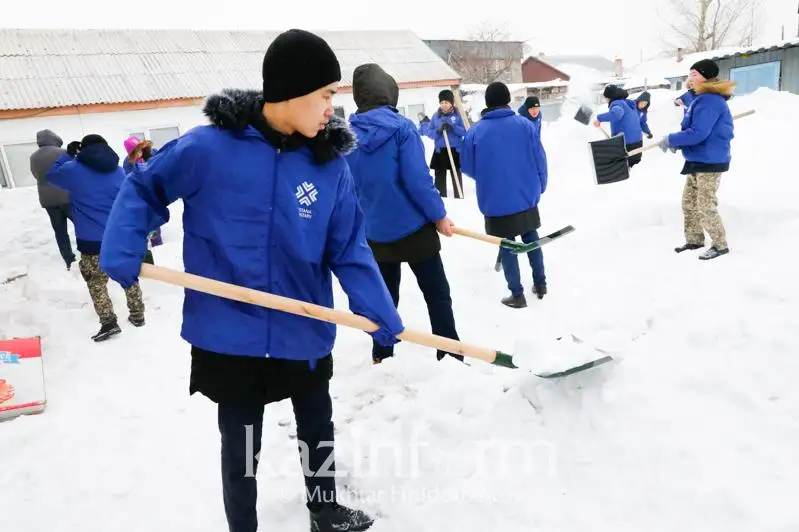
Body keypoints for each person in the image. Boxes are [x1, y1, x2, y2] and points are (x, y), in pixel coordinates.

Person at [99, 29, 404, 532]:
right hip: (228, 332)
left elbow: (348, 246)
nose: (333, 107)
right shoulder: (207, 149)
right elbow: (145, 187)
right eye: (326, 94)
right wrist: (123, 240)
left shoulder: (329, 166)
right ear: (292, 90)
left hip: (302, 325)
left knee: (317, 427)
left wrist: (378, 310)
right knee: (240, 445)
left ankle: (324, 510)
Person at [345, 63, 462, 364]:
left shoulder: (347, 136)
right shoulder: (402, 128)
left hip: (375, 233)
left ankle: (382, 355)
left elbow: (349, 187)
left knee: (384, 299)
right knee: (436, 294)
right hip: (414, 229)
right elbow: (418, 181)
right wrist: (438, 215)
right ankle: (448, 353)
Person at [47, 134, 146, 341]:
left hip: (91, 241)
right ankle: (137, 315)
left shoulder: (73, 170)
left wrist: (67, 155)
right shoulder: (119, 172)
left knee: (96, 281)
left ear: (83, 149)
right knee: (127, 274)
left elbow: (52, 175)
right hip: (118, 237)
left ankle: (109, 322)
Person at [461, 82, 548, 308]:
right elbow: (540, 158)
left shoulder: (475, 132)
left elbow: (468, 168)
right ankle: (541, 283)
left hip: (495, 201)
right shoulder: (525, 126)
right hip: (526, 195)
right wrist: (541, 186)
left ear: (487, 104)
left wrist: (489, 176)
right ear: (508, 100)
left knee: (508, 246)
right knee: (531, 238)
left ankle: (517, 295)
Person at [658, 59, 735, 261]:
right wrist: (679, 142)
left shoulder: (709, 100)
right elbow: (694, 130)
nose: (690, 78)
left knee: (705, 205)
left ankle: (720, 245)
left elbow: (698, 133)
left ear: (706, 76)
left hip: (710, 161)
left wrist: (672, 139)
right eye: (689, 74)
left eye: (694, 74)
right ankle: (694, 240)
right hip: (698, 159)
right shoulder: (701, 98)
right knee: (689, 203)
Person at [29, 129, 76, 270]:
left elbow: (36, 175)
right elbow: (73, 171)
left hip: (48, 200)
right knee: (81, 224)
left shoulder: (33, 157)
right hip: (66, 196)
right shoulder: (62, 152)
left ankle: (69, 259)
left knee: (60, 231)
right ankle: (90, 252)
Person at [419, 90, 467, 198]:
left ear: (451, 103)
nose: (444, 105)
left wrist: (453, 127)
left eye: (446, 102)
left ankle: (459, 196)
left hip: (454, 150)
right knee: (439, 176)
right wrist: (438, 131)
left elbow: (464, 131)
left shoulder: (457, 115)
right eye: (442, 103)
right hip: (440, 151)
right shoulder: (436, 116)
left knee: (456, 175)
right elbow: (428, 132)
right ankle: (441, 198)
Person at [123, 136, 164, 252]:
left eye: (141, 148)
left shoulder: (152, 153)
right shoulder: (128, 163)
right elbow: (130, 178)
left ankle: (157, 243)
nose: (140, 152)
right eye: (136, 150)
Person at [594, 85, 644, 167]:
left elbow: (617, 114)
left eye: (605, 97)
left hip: (626, 143)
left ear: (609, 97)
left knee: (623, 170)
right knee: (634, 169)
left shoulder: (617, 103)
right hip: (637, 142)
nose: (605, 100)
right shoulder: (628, 103)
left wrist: (599, 118)